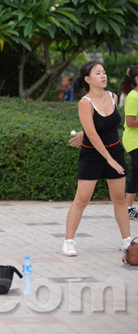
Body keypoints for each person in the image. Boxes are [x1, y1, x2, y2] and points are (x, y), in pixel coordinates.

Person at [62, 61, 132, 257]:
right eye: (98, 73)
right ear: (87, 79)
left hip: (115, 151)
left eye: (104, 72)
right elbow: (92, 134)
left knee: (119, 198)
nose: (103, 76)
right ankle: (68, 241)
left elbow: (106, 125)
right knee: (82, 199)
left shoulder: (113, 96)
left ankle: (127, 240)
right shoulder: (85, 102)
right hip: (93, 154)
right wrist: (108, 159)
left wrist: (112, 157)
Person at [122, 66, 138, 220]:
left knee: (136, 175)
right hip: (134, 142)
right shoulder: (133, 97)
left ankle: (127, 209)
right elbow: (130, 122)